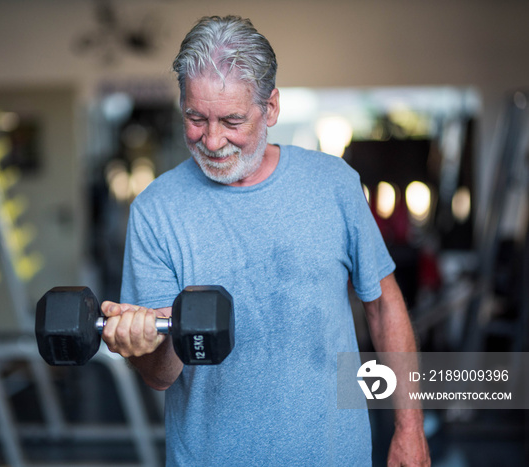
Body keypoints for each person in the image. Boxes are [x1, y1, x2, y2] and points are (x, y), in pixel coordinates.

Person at [100, 15, 430, 466]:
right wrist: (142, 348)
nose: (212, 140)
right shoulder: (156, 211)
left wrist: (409, 428)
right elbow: (162, 376)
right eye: (195, 118)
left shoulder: (332, 184)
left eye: (232, 120)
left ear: (271, 108)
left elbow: (383, 304)